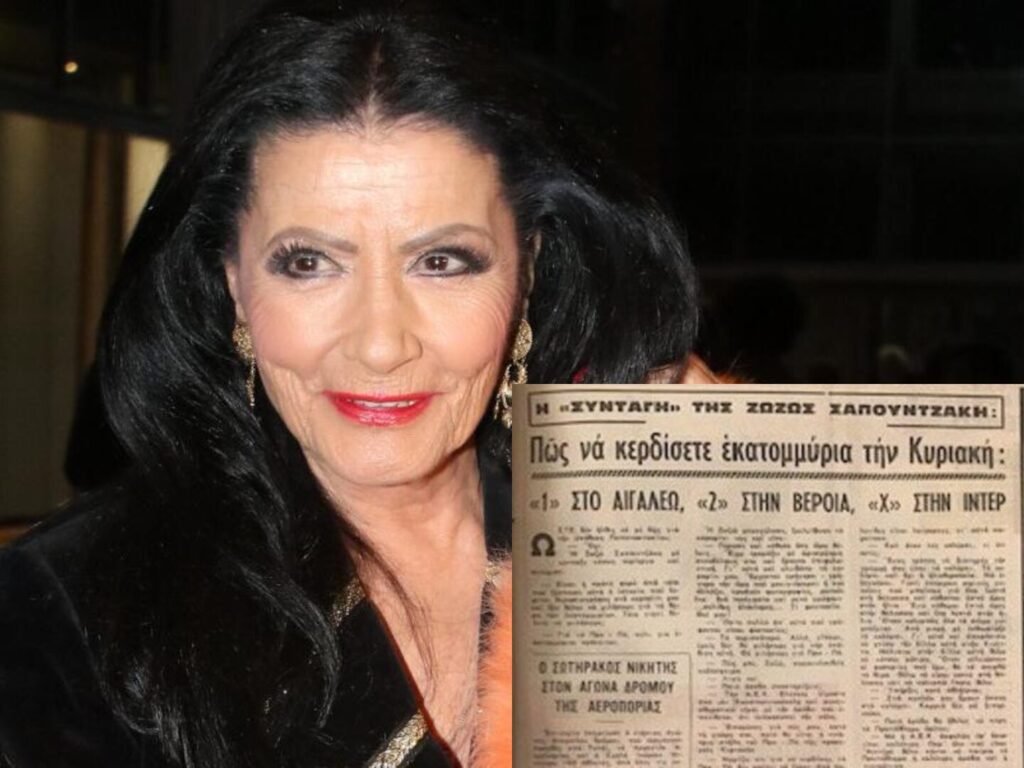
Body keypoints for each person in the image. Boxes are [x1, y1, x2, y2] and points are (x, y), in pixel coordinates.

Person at [0, 2, 709, 766]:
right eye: (309, 263)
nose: (379, 346)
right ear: (233, 281)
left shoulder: (616, 532)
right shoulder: (76, 610)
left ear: (527, 272)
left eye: (442, 262)